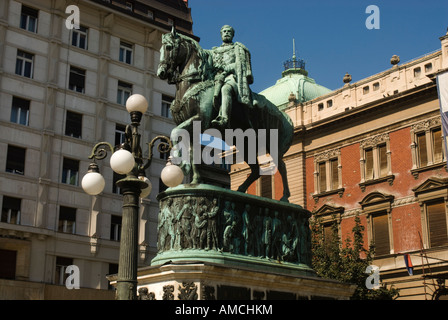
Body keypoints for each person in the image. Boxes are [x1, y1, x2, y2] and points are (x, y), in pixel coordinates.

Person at [210, 25, 254, 129]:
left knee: (226, 89)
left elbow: (240, 65)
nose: (226, 33)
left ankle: (224, 118)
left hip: (231, 77)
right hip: (215, 78)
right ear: (221, 34)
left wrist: (225, 68)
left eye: (229, 32)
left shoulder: (238, 49)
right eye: (224, 31)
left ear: (233, 35)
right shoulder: (214, 51)